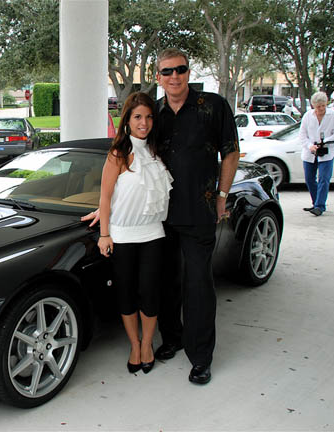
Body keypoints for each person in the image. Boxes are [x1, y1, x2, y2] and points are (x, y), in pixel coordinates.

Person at [83, 48, 240, 384]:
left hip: (198, 212)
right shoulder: (154, 114)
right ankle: (172, 338)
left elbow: (231, 152)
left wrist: (222, 196)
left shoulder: (213, 106)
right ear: (158, 77)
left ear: (188, 72)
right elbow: (135, 164)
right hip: (160, 219)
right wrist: (108, 205)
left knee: (198, 285)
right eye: (167, 71)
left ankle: (200, 357)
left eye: (180, 69)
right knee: (165, 283)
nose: (174, 76)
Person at [97, 91, 173, 374]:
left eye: (149, 117)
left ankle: (147, 344)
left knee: (150, 294)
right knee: (127, 295)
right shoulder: (117, 154)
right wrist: (104, 234)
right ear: (127, 119)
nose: (144, 123)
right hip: (122, 236)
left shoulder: (156, 152)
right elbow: (105, 197)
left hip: (153, 234)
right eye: (138, 117)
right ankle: (134, 344)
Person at [299, 92, 334, 216]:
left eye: (323, 105)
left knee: (324, 178)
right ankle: (316, 202)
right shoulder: (308, 116)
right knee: (309, 179)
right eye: (318, 106)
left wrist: (324, 142)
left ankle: (320, 206)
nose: (321, 108)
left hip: (327, 152)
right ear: (313, 105)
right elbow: (302, 134)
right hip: (310, 152)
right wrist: (310, 146)